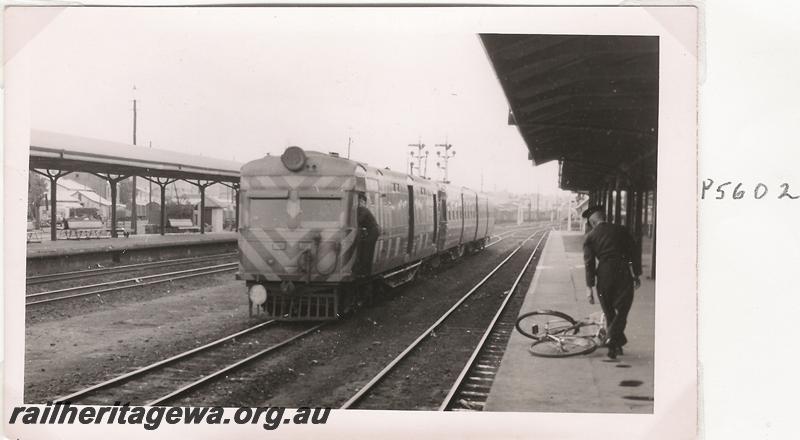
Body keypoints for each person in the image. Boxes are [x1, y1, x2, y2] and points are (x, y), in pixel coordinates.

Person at [582, 205, 641, 359]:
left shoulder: (590, 237)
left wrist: (589, 287)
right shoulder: (621, 230)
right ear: (603, 218)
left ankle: (612, 344)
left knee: (609, 312)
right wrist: (636, 274)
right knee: (622, 311)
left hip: (604, 274)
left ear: (592, 222)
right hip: (623, 272)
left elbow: (589, 264)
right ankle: (615, 342)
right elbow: (634, 252)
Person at [354, 193, 379, 278]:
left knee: (367, 250)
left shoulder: (364, 210)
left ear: (364, 202)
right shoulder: (363, 210)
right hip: (372, 231)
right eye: (359, 201)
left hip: (373, 231)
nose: (359, 203)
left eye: (361, 201)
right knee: (367, 249)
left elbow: (359, 220)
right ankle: (365, 271)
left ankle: (365, 272)